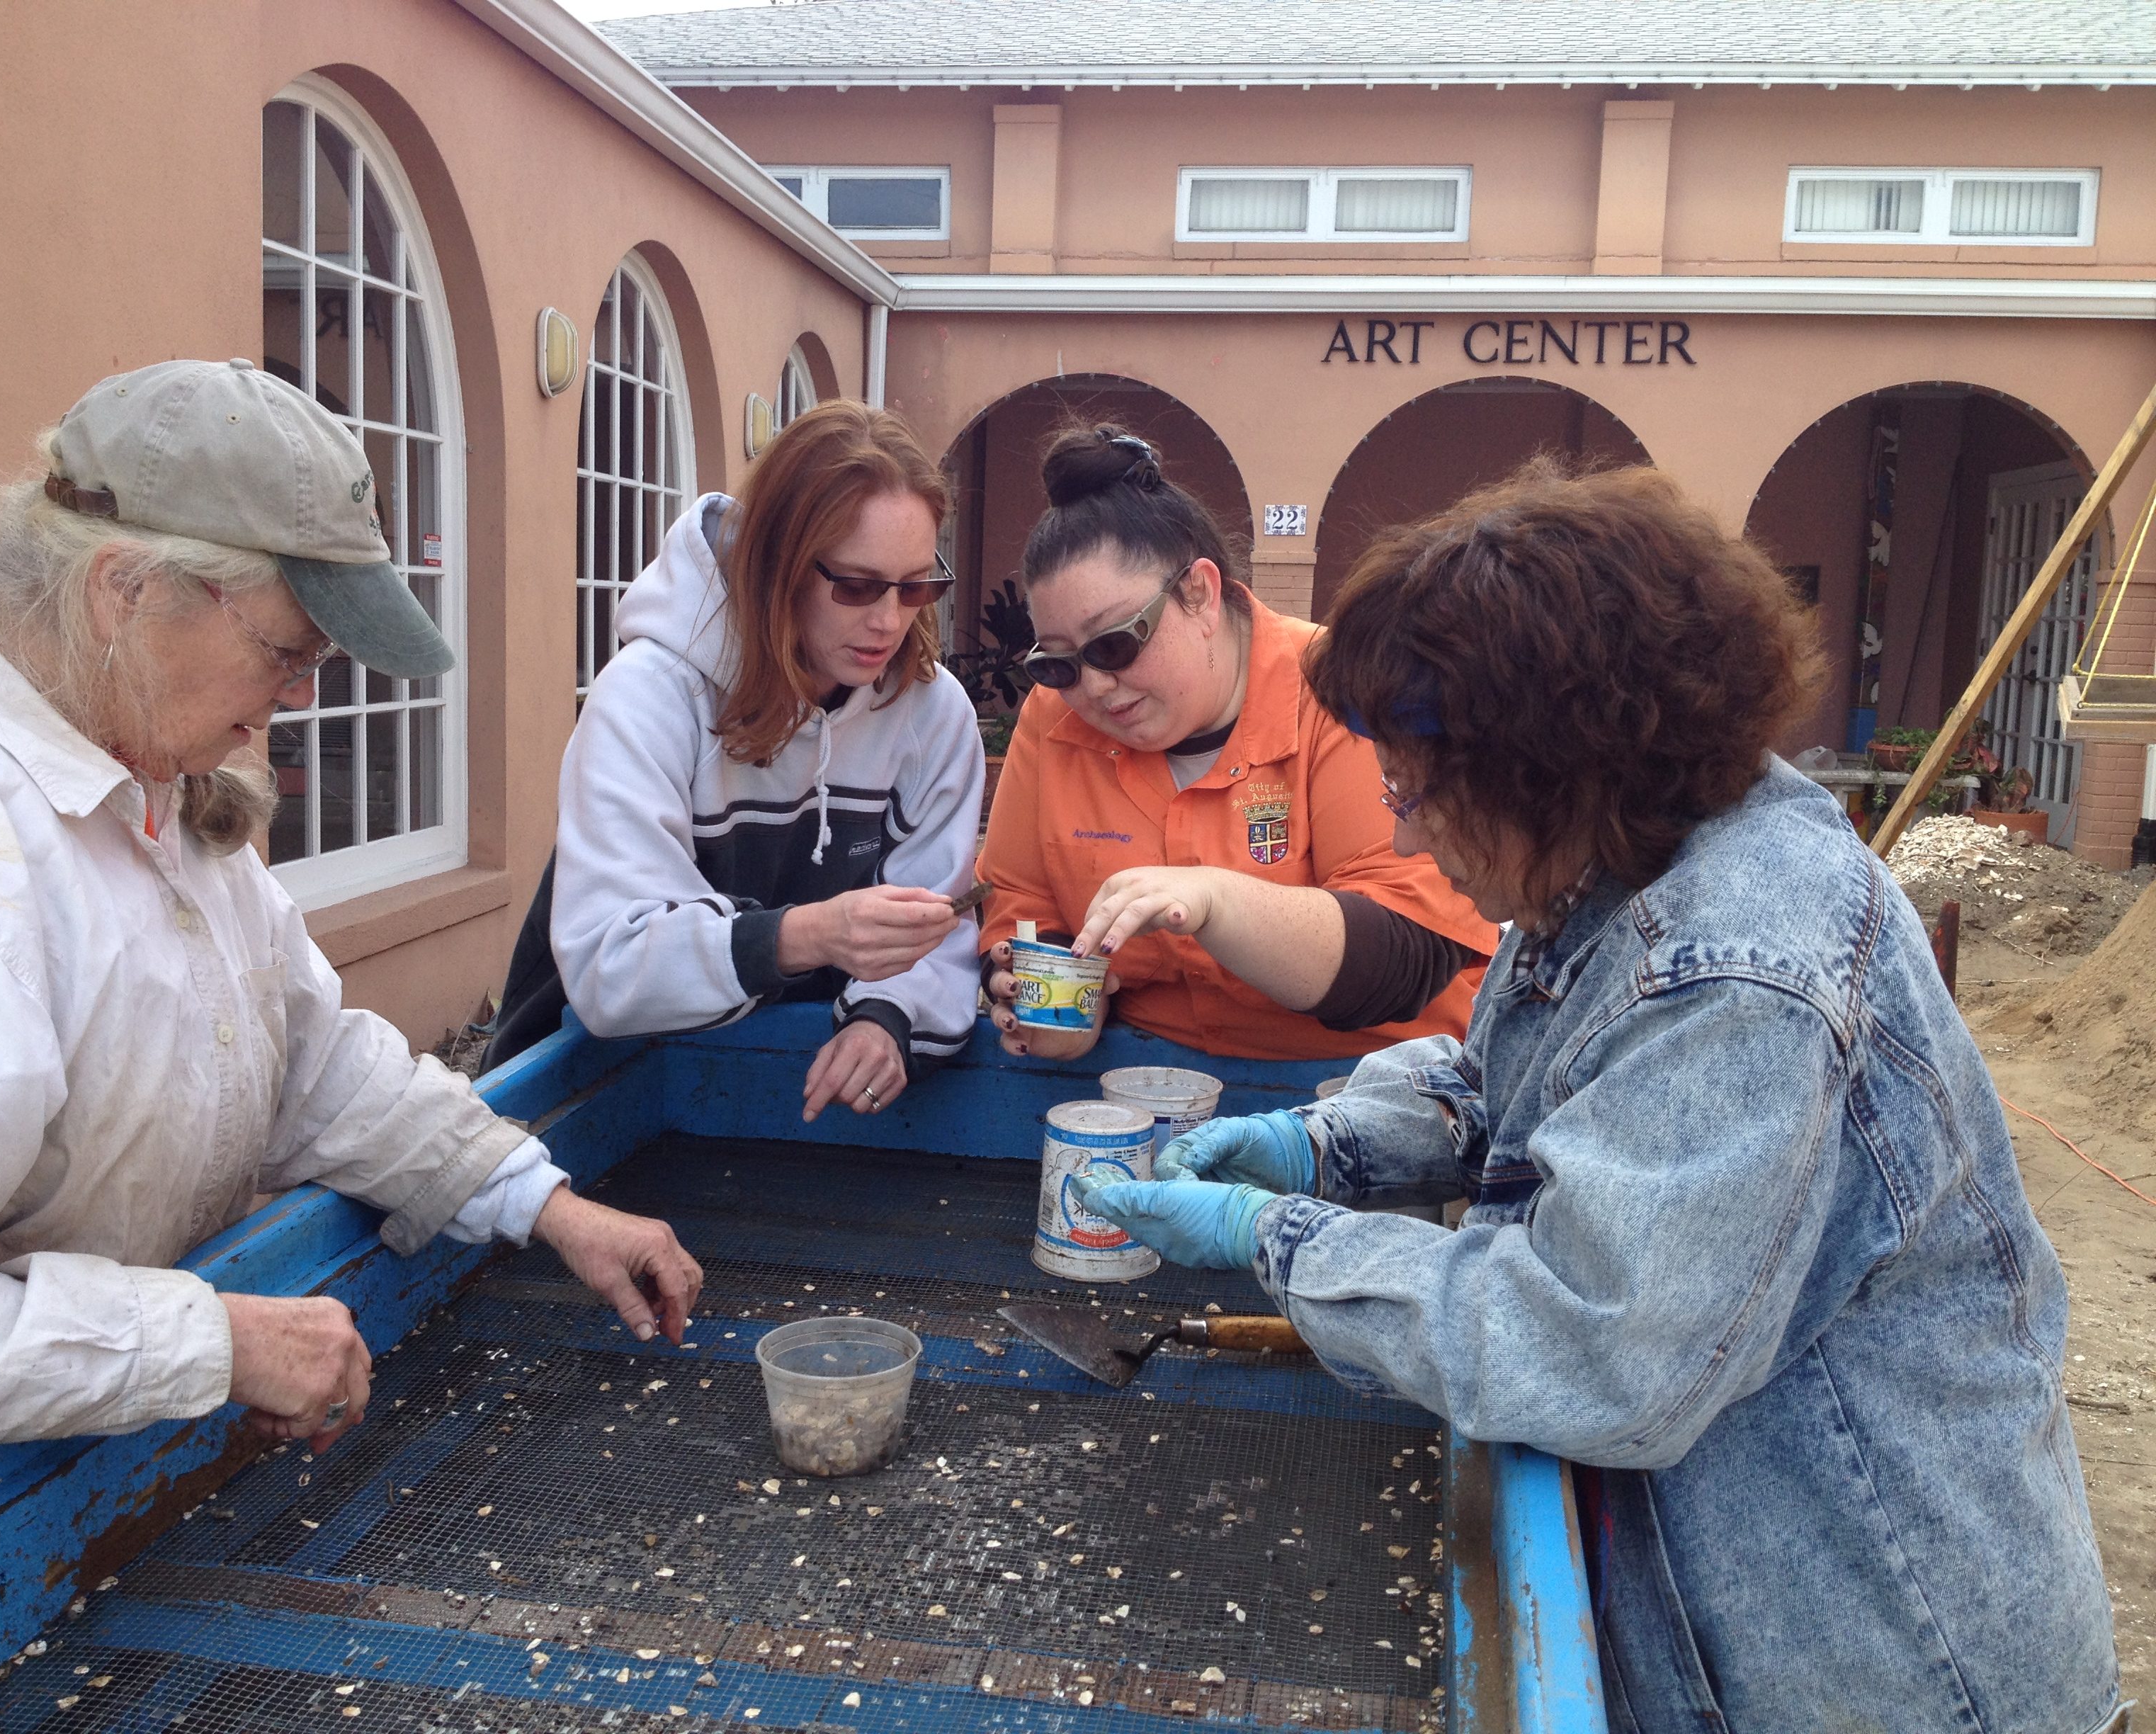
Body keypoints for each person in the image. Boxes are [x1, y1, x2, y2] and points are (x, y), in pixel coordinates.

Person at [1075, 461, 2125, 1733]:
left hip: (1876, 1662)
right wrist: (1323, 1146)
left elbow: (1585, 1344)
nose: (1404, 837)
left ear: (1545, 759)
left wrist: (1277, 1240)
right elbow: (1504, 1079)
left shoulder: (1743, 966)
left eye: (1416, 791)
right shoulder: (1611, 855)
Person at [0, 360, 701, 1453]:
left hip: (99, 1446)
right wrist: (212, 1344)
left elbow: (310, 1060)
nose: (296, 699)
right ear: (125, 588)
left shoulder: (145, 776)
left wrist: (544, 1204)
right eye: (286, 652)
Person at [488, 401, 982, 1121]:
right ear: (778, 563)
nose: (889, 620)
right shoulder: (647, 696)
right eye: (856, 584)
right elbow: (610, 966)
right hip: (584, 1099)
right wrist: (810, 934)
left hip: (787, 1099)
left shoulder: (934, 713)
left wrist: (888, 1017)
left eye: (917, 586)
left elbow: (939, 928)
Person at [975, 425, 1496, 1063]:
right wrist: (1046, 988)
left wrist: (1216, 902)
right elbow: (1020, 900)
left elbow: (1408, 952)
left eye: (1113, 644)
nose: (1094, 686)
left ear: (1199, 592)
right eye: (1057, 665)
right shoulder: (1053, 718)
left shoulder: (1339, 686)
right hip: (1150, 1075)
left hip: (1372, 1083)